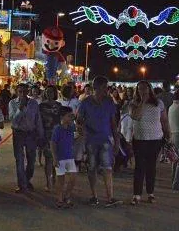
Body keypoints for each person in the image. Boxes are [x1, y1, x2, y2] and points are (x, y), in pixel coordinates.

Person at [76, 76, 122, 207]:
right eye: (104, 87)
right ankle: (94, 196)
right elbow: (79, 119)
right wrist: (82, 129)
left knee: (107, 168)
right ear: (96, 88)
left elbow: (113, 123)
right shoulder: (86, 102)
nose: (106, 90)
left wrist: (117, 141)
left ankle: (110, 197)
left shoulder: (109, 102)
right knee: (92, 168)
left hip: (105, 139)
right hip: (91, 140)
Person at [129, 81, 170, 205]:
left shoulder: (159, 104)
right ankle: (137, 194)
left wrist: (168, 133)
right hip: (140, 139)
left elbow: (164, 120)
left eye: (145, 89)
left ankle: (150, 193)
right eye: (140, 89)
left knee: (151, 167)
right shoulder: (133, 103)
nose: (143, 91)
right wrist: (142, 102)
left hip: (155, 139)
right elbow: (135, 116)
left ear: (150, 90)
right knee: (139, 167)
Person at [9, 83, 43, 193]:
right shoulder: (12, 103)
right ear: (16, 92)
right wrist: (20, 108)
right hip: (18, 133)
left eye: (24, 91)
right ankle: (22, 184)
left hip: (31, 134)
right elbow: (13, 121)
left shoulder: (33, 103)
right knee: (19, 160)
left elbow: (38, 119)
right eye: (20, 91)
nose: (22, 94)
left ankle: (26, 180)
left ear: (28, 92)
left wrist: (40, 134)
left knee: (31, 160)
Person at [50, 106, 77, 208]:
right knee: (60, 179)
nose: (70, 117)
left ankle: (67, 195)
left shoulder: (71, 127)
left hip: (69, 156)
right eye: (68, 116)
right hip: (60, 157)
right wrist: (55, 158)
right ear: (62, 117)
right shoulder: (57, 129)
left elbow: (80, 129)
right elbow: (53, 143)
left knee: (73, 177)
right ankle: (60, 198)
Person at [39, 86, 63, 191]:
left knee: (55, 159)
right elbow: (38, 121)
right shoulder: (41, 106)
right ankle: (48, 181)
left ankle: (54, 179)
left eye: (51, 92)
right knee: (48, 159)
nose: (49, 94)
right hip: (46, 134)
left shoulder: (59, 105)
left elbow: (62, 120)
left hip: (57, 134)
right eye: (47, 92)